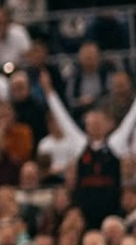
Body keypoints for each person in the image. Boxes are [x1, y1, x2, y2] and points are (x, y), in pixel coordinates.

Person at [40, 71, 136, 229]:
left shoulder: (115, 144)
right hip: (85, 212)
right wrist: (49, 91)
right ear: (86, 126)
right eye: (92, 124)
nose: (96, 127)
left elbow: (131, 118)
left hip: (111, 209)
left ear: (106, 125)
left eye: (99, 123)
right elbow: (63, 118)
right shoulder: (80, 144)